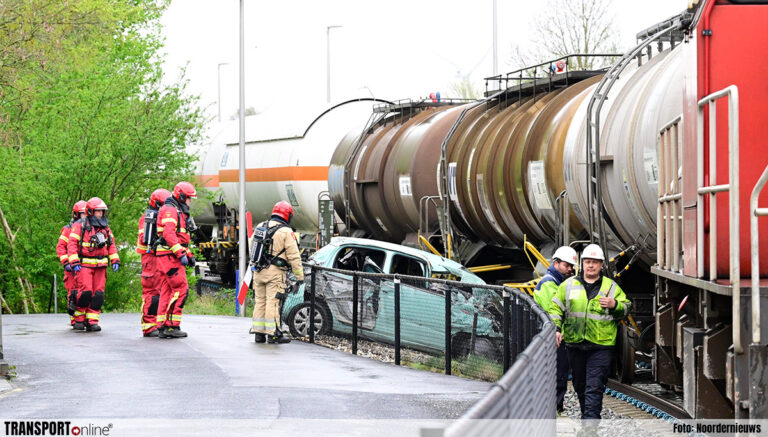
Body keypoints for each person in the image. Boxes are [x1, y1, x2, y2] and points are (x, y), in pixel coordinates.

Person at [548, 244, 631, 426]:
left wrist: (614, 304)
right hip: (575, 345)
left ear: (601, 265)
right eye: (587, 262)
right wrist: (556, 329)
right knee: (580, 386)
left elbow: (626, 307)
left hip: (601, 347)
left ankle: (590, 428)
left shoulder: (611, 288)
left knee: (594, 387)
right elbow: (555, 308)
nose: (590, 265)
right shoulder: (568, 285)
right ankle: (588, 421)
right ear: (582, 264)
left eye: (594, 262)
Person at [249, 201, 304, 344]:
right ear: (287, 215)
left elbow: (252, 246)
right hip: (275, 273)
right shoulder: (286, 232)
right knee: (273, 302)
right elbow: (294, 256)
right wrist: (300, 277)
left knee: (260, 302)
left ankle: (258, 333)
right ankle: (273, 334)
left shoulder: (261, 226)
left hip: (259, 271)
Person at [534, 245, 578, 414]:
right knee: (558, 374)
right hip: (555, 336)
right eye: (567, 265)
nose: (570, 269)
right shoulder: (549, 283)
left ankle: (554, 406)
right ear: (556, 263)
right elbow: (557, 308)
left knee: (559, 374)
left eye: (571, 266)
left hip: (558, 335)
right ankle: (554, 408)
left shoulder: (558, 282)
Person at [67, 197, 120, 332]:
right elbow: (72, 244)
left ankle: (92, 321)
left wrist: (115, 260)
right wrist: (74, 261)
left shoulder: (105, 227)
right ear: (91, 211)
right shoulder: (80, 225)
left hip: (101, 266)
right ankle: (79, 319)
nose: (100, 214)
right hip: (84, 265)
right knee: (85, 292)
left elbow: (111, 244)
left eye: (102, 211)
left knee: (98, 295)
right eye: (98, 211)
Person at [154, 181, 196, 339]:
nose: (190, 202)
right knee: (181, 289)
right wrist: (180, 253)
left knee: (166, 291)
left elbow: (180, 238)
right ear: (182, 196)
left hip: (168, 256)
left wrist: (188, 254)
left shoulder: (174, 209)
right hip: (169, 257)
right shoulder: (171, 210)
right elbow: (169, 235)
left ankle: (162, 325)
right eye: (189, 198)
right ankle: (172, 325)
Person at [137, 188, 171, 337]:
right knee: (152, 292)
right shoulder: (147, 219)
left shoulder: (164, 217)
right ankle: (149, 326)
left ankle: (160, 324)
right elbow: (144, 240)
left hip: (162, 258)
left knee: (163, 291)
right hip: (150, 258)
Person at [57, 200, 87, 327]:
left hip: (83, 266)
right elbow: (61, 247)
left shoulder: (88, 229)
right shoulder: (68, 230)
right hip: (71, 268)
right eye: (82, 214)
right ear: (76, 215)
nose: (85, 217)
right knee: (73, 293)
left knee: (85, 292)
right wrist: (66, 262)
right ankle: (75, 319)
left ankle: (85, 317)